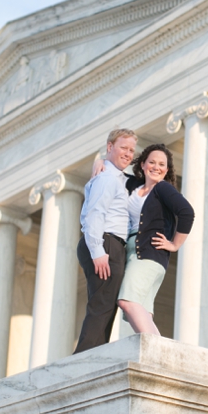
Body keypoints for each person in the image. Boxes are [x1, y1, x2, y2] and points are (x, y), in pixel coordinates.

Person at [117, 144, 194, 335]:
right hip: (134, 253)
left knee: (127, 301)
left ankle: (159, 352)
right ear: (143, 164)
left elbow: (187, 212)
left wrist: (175, 244)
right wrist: (100, 163)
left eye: (161, 164)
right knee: (142, 311)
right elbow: (114, 174)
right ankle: (158, 353)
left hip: (149, 255)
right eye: (151, 162)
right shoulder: (135, 186)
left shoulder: (162, 188)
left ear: (166, 170)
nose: (156, 167)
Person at [73, 128, 138, 354]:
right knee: (102, 306)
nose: (128, 153)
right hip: (105, 242)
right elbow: (95, 214)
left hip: (108, 243)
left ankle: (93, 357)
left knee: (105, 305)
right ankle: (82, 362)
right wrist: (98, 250)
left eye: (131, 150)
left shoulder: (116, 177)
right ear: (110, 147)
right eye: (123, 147)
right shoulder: (108, 178)